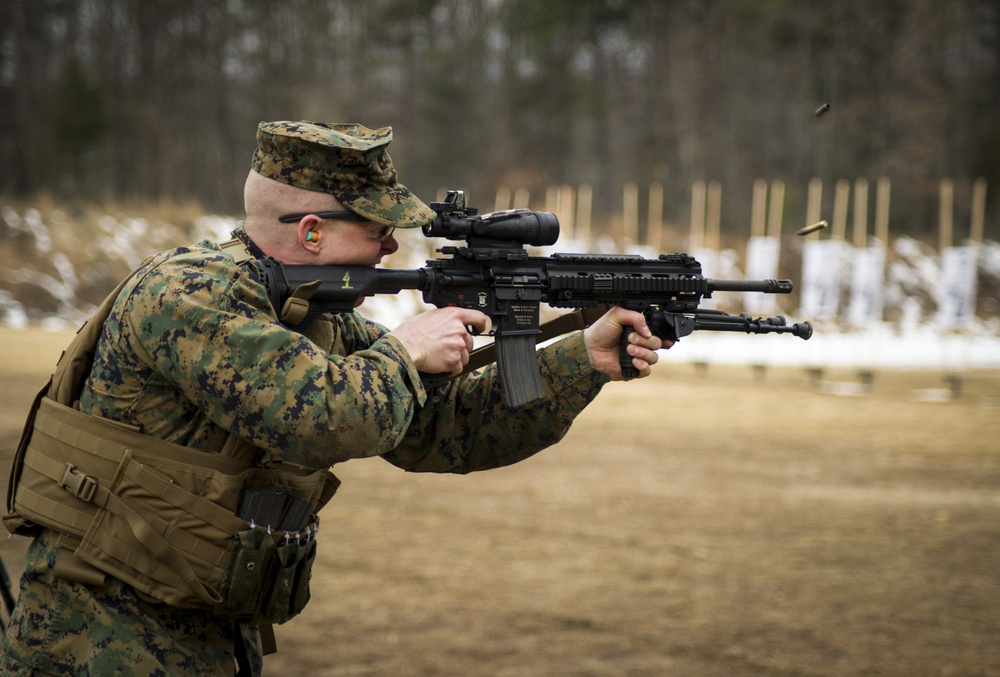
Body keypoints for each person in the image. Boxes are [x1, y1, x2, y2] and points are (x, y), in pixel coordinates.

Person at [0, 121, 666, 676]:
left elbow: (441, 429)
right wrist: (403, 350)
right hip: (93, 642)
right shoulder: (190, 294)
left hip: (204, 641)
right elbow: (322, 417)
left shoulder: (317, 314)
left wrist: (584, 359)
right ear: (312, 232)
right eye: (377, 225)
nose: (392, 244)